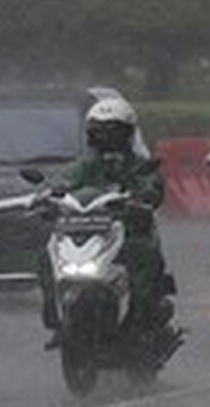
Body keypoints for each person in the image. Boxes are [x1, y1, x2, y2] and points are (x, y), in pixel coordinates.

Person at [44, 91, 174, 340]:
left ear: (127, 133)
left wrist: (143, 199)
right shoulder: (86, 165)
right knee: (45, 254)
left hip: (131, 231)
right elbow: (64, 179)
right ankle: (53, 314)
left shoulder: (139, 164)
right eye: (99, 131)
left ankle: (141, 319)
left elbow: (151, 186)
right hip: (88, 231)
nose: (106, 137)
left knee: (143, 255)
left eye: (113, 131)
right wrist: (51, 194)